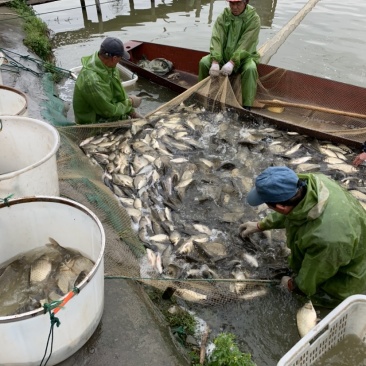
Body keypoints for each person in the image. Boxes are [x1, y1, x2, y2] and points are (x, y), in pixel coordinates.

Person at [239, 166, 366, 308]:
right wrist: (261, 225)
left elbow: (312, 278)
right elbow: (293, 212)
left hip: (345, 281)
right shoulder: (313, 182)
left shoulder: (326, 239)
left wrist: (292, 284)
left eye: (268, 205)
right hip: (346, 243)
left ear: (280, 207)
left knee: (309, 296)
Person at [198, 0, 261, 109]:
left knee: (250, 69)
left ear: (245, 2)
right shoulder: (224, 16)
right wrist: (215, 61)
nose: (235, 7)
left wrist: (232, 62)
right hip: (223, 56)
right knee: (204, 62)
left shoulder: (253, 18)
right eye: (232, 4)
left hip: (243, 58)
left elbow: (246, 43)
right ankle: (200, 96)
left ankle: (247, 106)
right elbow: (217, 38)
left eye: (238, 4)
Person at [73, 37, 142, 124]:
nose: (119, 61)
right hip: (93, 123)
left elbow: (119, 93)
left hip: (107, 111)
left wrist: (131, 112)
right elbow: (108, 111)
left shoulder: (110, 67)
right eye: (120, 58)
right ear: (114, 58)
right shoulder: (92, 80)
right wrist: (130, 102)